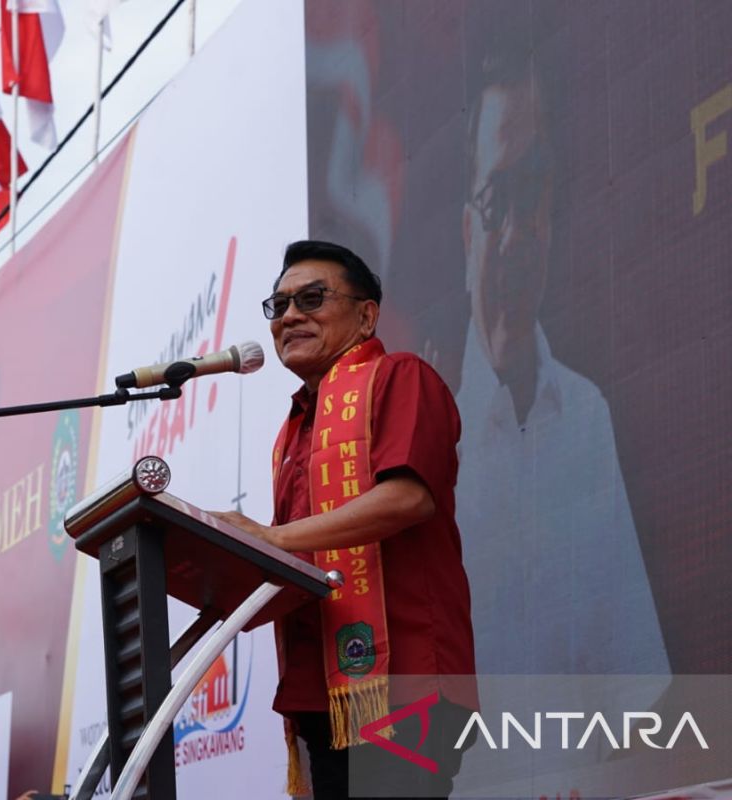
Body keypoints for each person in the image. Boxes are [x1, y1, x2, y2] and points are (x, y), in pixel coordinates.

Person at [212, 240, 476, 799]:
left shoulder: (399, 376)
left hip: (403, 683)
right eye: (278, 306)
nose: (289, 317)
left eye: (311, 298)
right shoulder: (292, 431)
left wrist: (269, 537)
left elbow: (409, 498)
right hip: (319, 693)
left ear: (366, 315)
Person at [455, 44, 668, 677]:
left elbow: (634, 686)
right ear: (468, 232)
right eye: (497, 199)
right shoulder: (428, 434)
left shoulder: (585, 417)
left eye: (533, 196)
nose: (517, 235)